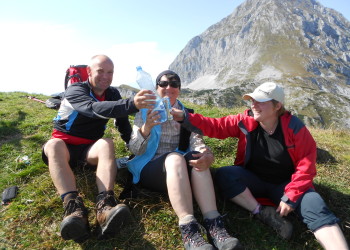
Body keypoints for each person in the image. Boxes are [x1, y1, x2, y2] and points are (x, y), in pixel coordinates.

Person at [171, 82, 349, 250]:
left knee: (315, 206)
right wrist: (185, 117)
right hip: (253, 180)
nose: (253, 105)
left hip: (286, 186)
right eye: (252, 100)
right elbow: (216, 126)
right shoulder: (245, 121)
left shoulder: (295, 128)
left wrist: (291, 196)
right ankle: (263, 213)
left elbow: (306, 165)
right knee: (226, 175)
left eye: (260, 101)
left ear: (277, 106)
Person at [42, 55, 154, 242]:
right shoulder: (76, 90)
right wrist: (131, 104)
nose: (105, 76)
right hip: (64, 151)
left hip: (88, 151)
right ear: (89, 72)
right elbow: (92, 108)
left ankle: (105, 206)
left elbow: (122, 124)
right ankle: (73, 208)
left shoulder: (112, 94)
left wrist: (131, 146)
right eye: (100, 71)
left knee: (106, 143)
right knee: (53, 144)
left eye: (109, 72)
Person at [126, 70, 242, 250]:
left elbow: (197, 142)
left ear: (179, 89)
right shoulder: (144, 112)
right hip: (150, 168)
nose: (168, 87)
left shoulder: (186, 114)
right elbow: (134, 149)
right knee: (175, 158)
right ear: (156, 88)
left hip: (179, 171)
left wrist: (205, 153)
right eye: (163, 83)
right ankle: (189, 229)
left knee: (197, 157)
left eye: (174, 84)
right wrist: (147, 127)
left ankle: (214, 223)